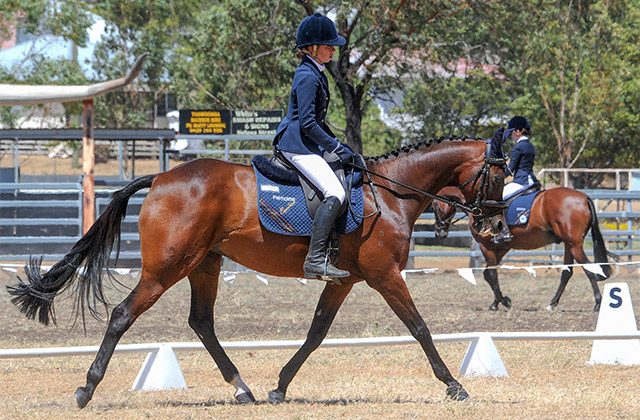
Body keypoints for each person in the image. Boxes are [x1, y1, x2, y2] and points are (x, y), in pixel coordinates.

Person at [273, 13, 354, 280]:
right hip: (297, 145)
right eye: (328, 45)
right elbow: (307, 123)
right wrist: (334, 146)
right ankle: (316, 260)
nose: (333, 48)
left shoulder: (317, 73)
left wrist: (339, 146)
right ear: (310, 48)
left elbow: (318, 120)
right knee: (335, 192)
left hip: (307, 143)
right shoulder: (307, 76)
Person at [492, 115, 538, 243]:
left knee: (496, 199)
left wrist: (499, 179)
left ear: (517, 132)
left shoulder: (518, 147)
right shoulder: (530, 145)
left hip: (521, 181)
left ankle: (504, 231)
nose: (511, 136)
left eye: (512, 132)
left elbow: (511, 168)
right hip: (531, 180)